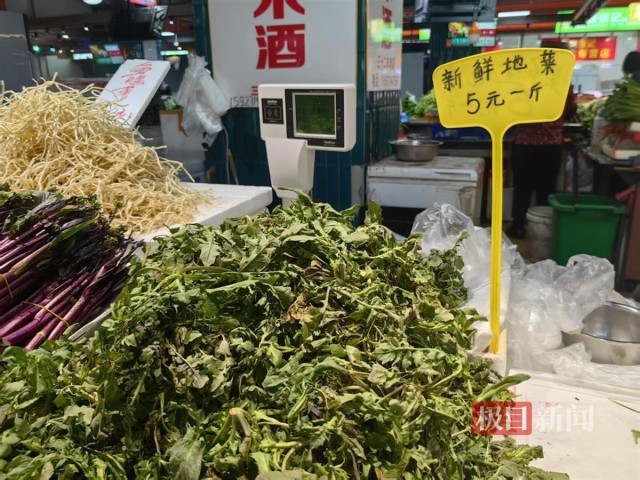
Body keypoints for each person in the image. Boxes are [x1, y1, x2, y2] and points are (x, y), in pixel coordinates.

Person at [506, 41, 577, 239]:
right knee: (545, 190)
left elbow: (513, 109)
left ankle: (518, 227)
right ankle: (542, 232)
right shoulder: (563, 83)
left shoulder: (526, 80)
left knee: (522, 188)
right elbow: (570, 110)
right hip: (551, 146)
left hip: (525, 145)